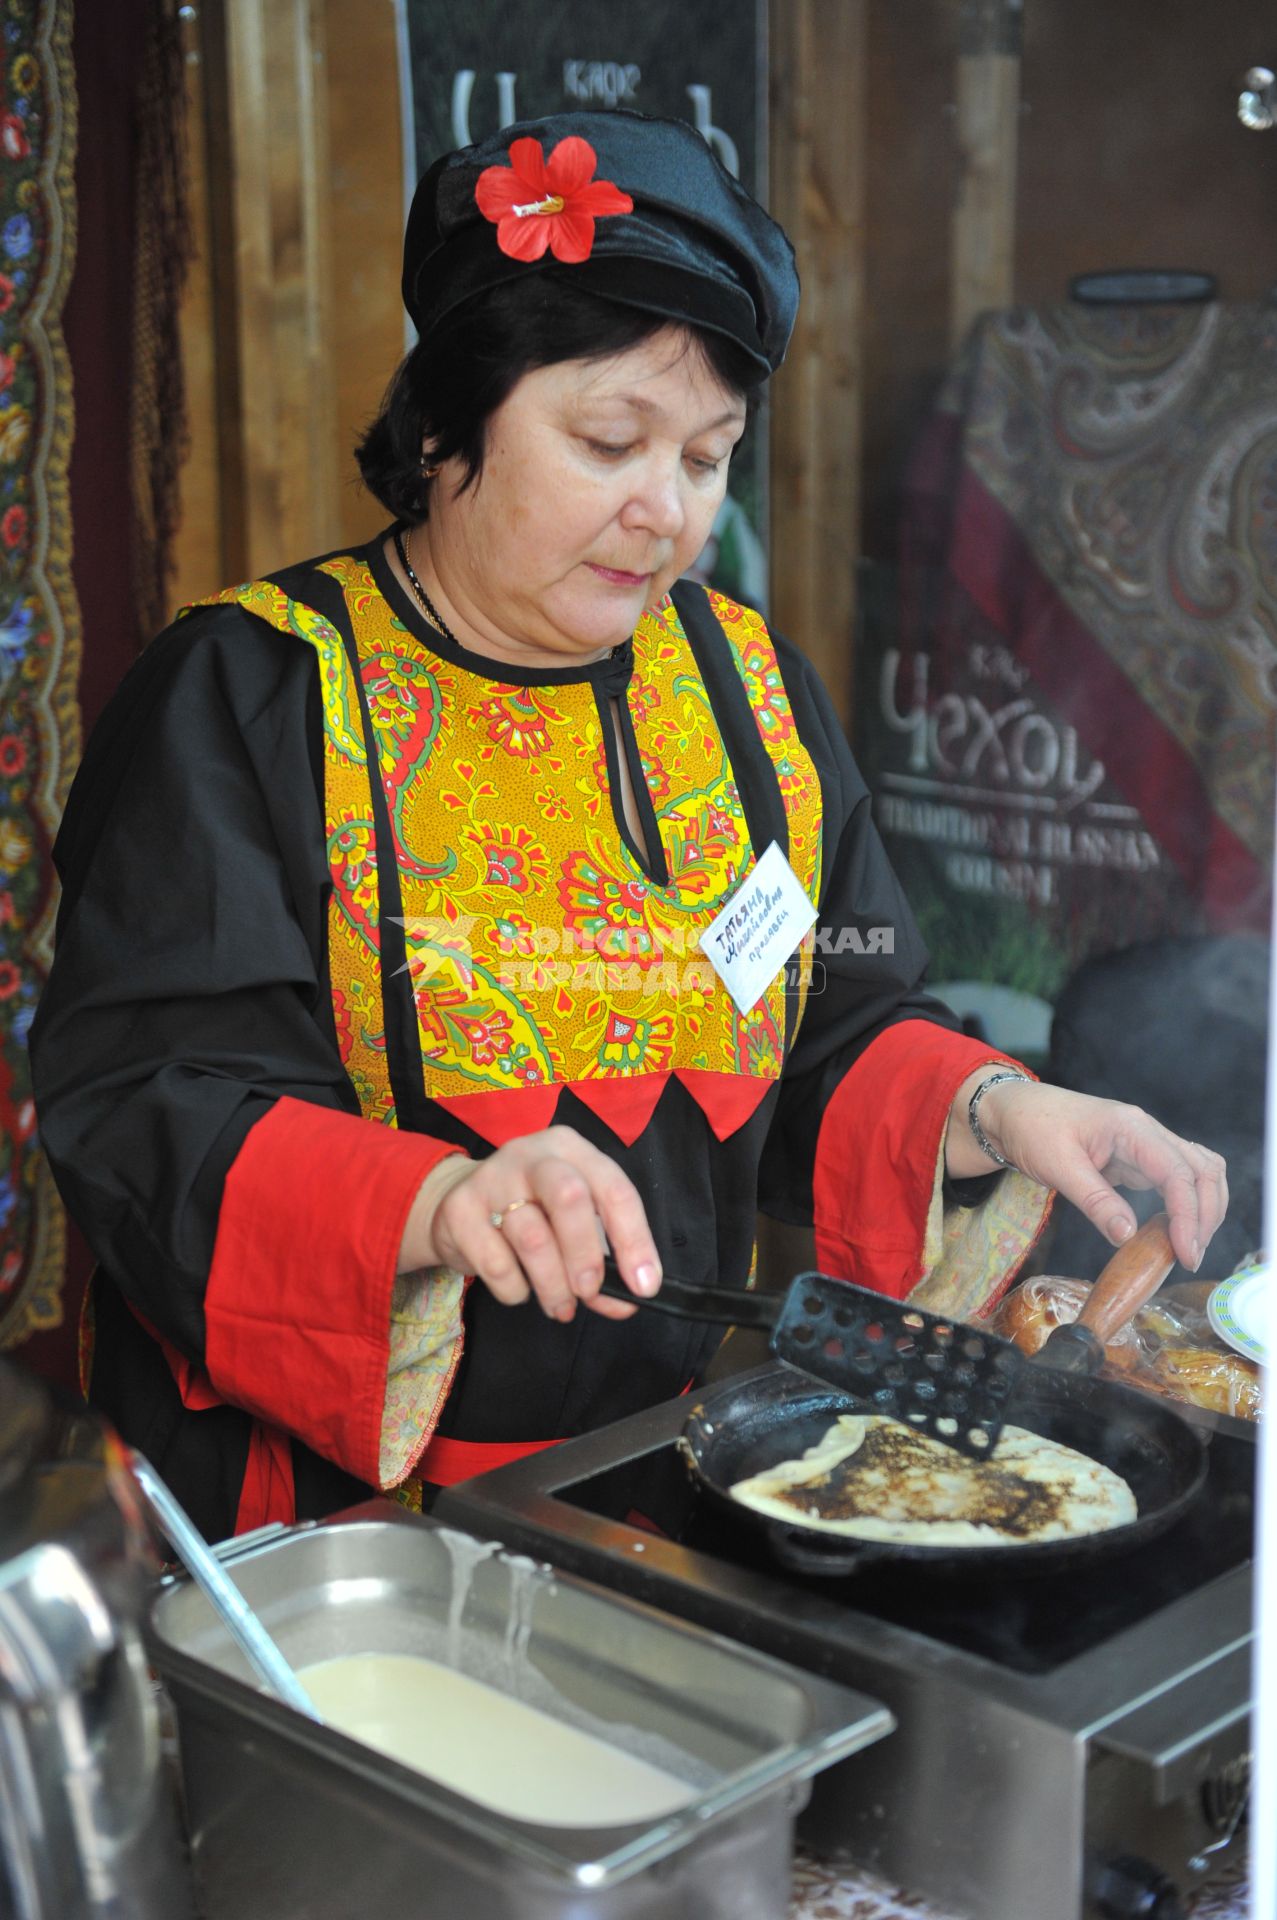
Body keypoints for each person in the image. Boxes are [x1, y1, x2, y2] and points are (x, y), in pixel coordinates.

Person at [30, 111, 1227, 1544]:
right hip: (335, 1523)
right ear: (441, 424)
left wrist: (996, 1109)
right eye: (608, 440)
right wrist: (437, 1202)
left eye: (707, 456)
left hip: (668, 1473)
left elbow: (829, 1020)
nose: (665, 514)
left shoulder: (740, 688)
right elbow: (148, 1100)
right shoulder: (258, 691)